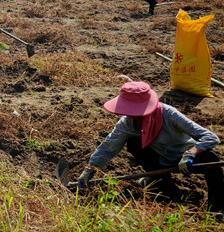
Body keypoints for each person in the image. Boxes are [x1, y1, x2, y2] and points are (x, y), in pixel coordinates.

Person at [78, 81, 223, 222]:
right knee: (134, 143)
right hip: (159, 161)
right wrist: (89, 170)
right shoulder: (127, 123)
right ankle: (167, 189)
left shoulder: (169, 114)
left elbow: (210, 137)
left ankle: (217, 209)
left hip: (186, 157)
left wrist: (191, 153)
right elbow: (108, 147)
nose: (132, 116)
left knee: (212, 161)